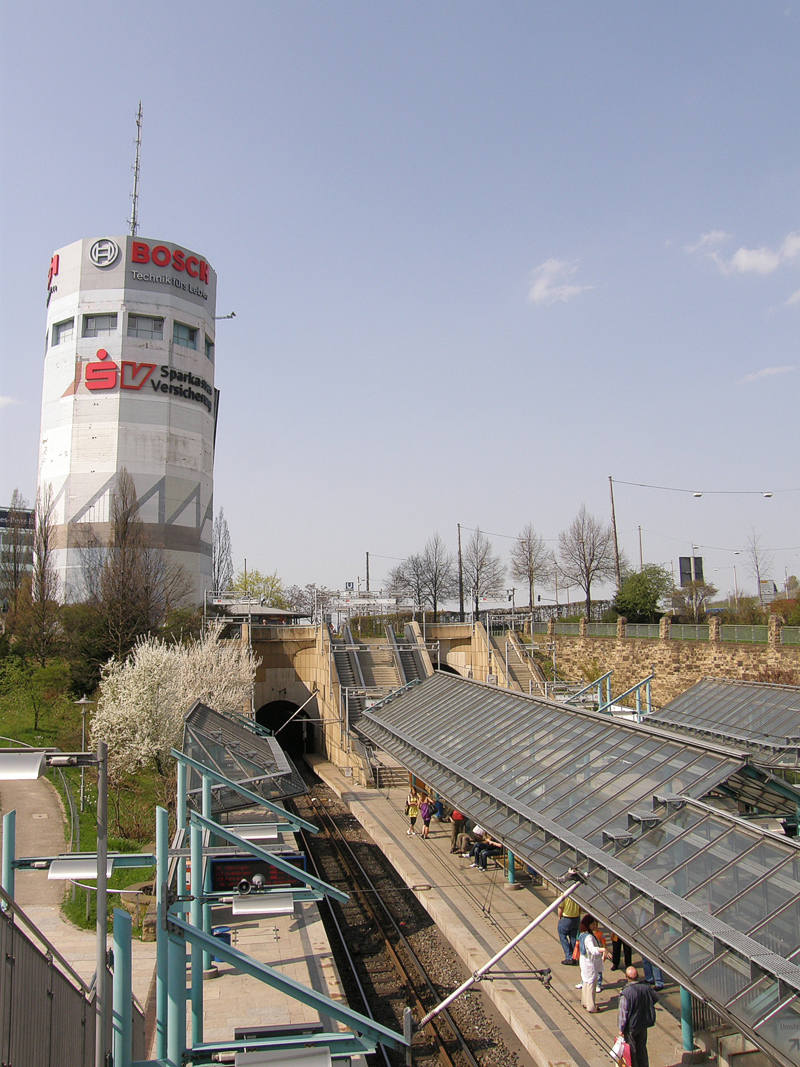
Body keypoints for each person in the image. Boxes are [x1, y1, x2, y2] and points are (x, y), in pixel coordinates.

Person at [618, 966, 658, 1067]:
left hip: (631, 1027)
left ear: (627, 976)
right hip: (643, 1023)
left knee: (632, 1052)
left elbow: (623, 1014)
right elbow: (655, 997)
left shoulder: (626, 993)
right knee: (642, 1048)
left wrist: (621, 1029)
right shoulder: (646, 987)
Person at [577, 915, 609, 1012]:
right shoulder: (589, 937)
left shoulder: (582, 935)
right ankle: (591, 1006)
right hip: (590, 963)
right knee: (591, 983)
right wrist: (603, 950)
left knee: (586, 981)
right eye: (593, 924)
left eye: (596, 924)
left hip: (584, 961)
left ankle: (585, 1002)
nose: (595, 926)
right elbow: (593, 950)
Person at [557, 894, 582, 965]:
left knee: (562, 935)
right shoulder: (577, 894)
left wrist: (559, 918)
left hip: (566, 918)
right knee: (573, 937)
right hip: (576, 918)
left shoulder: (564, 894)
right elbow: (580, 907)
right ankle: (575, 956)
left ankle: (569, 956)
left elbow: (560, 907)